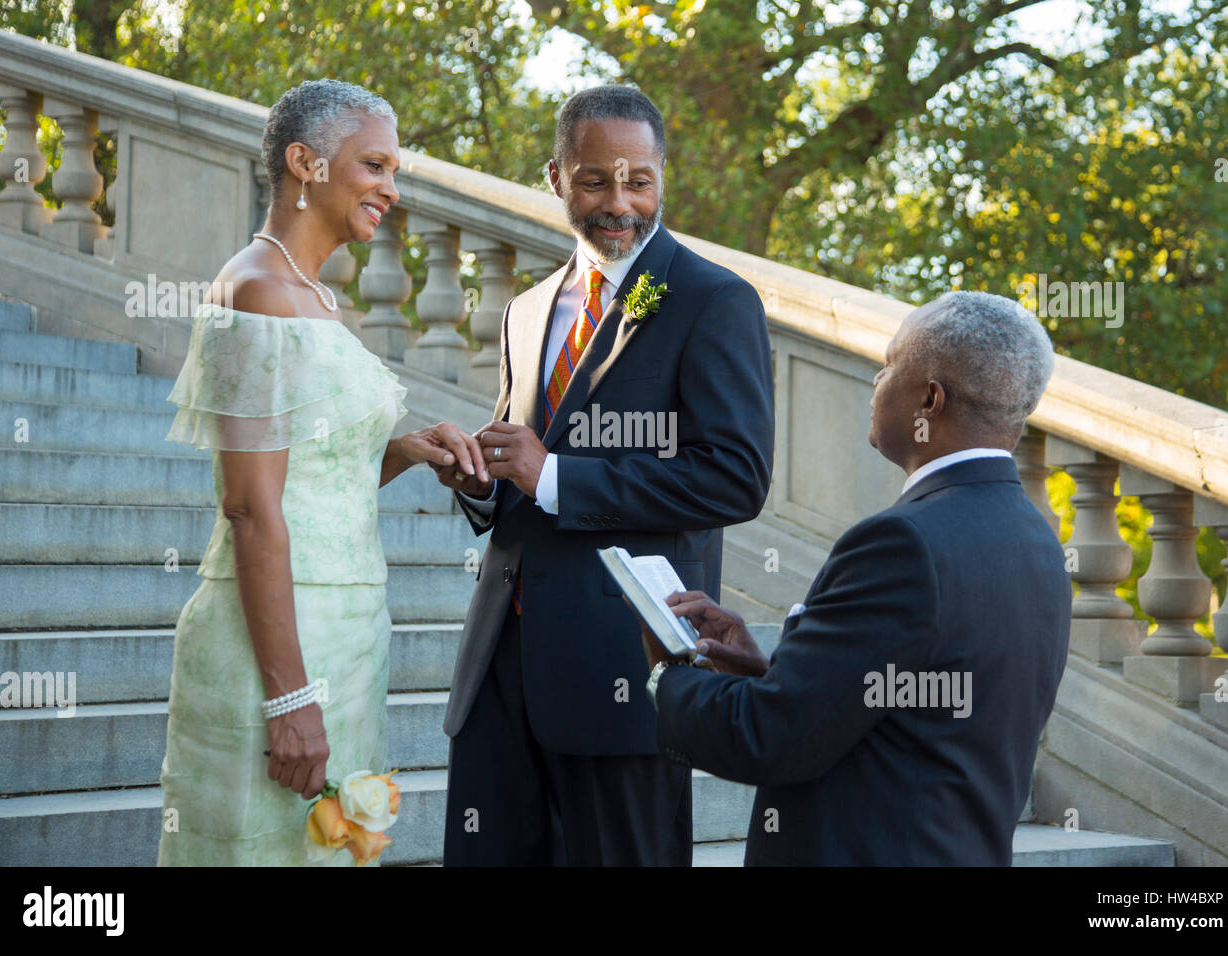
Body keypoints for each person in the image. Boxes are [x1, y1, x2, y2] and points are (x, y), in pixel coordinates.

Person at [432, 85, 775, 866]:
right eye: (595, 181)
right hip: (497, 666)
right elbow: (521, 470)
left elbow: (737, 477)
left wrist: (558, 477)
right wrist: (483, 485)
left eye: (639, 181)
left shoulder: (714, 301)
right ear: (556, 177)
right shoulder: (526, 310)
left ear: (661, 178)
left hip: (625, 670)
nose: (619, 203)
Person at [157, 79, 484, 866]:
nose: (392, 189)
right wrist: (291, 695)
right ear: (305, 163)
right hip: (275, 649)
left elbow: (312, 481)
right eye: (374, 165)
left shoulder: (314, 297)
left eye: (393, 169)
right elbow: (248, 508)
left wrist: (405, 451)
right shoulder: (258, 291)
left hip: (348, 636)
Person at [636, 291, 1071, 865]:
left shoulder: (901, 544)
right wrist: (773, 671)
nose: (876, 379)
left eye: (891, 363)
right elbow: (910, 713)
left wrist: (665, 674)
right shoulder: (1038, 541)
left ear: (928, 400)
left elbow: (770, 737)